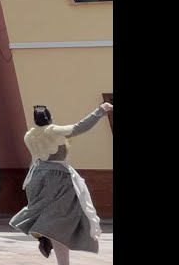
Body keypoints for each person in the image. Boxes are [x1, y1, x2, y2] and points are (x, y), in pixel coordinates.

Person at [9, 102, 113, 264]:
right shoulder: (53, 130)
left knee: (51, 217)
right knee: (65, 218)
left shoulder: (29, 135)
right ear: (50, 118)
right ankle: (50, 241)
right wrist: (100, 111)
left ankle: (45, 236)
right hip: (57, 178)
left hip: (35, 178)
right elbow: (80, 127)